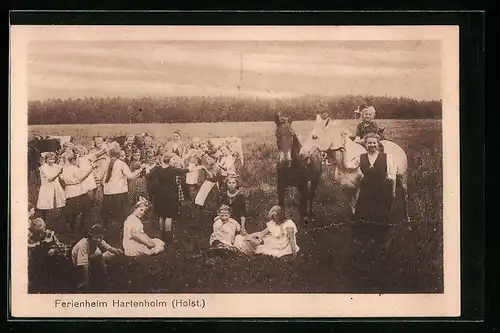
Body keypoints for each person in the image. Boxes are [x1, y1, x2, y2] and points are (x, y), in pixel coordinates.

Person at [149, 154, 204, 242]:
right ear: (169, 160)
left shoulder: (157, 169)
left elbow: (149, 175)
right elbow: (187, 170)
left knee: (161, 216)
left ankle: (161, 236)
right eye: (173, 159)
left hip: (159, 194)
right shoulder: (172, 170)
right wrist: (198, 167)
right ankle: (168, 238)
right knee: (169, 216)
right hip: (170, 194)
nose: (174, 161)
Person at [352, 133, 396, 226]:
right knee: (364, 213)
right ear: (365, 144)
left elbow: (392, 177)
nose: (372, 145)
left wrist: (393, 192)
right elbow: (350, 167)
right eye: (369, 143)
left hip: (381, 188)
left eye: (374, 143)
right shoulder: (361, 157)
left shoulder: (386, 157)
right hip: (366, 189)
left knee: (381, 213)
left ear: (378, 144)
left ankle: (380, 235)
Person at [101, 148, 146, 229]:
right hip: (119, 193)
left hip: (107, 193)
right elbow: (130, 176)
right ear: (118, 155)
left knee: (107, 216)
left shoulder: (106, 164)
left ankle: (106, 231)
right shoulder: (121, 164)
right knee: (121, 215)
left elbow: (101, 178)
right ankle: (122, 232)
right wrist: (140, 169)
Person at [71, 224, 124, 290]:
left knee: (100, 254)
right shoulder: (83, 245)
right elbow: (83, 264)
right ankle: (86, 280)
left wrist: (116, 251)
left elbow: (107, 247)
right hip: (77, 260)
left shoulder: (98, 239)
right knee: (87, 267)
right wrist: (85, 281)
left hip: (90, 254)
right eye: (96, 237)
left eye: (100, 237)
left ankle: (103, 271)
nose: (98, 239)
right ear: (90, 236)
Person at [28, 217, 70, 292]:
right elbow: (29, 259)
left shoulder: (50, 234)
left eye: (42, 231)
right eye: (38, 232)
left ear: (44, 227)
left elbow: (61, 246)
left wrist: (55, 250)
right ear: (34, 231)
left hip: (52, 264)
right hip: (38, 266)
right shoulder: (31, 239)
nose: (40, 234)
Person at [59, 152, 97, 235]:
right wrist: (91, 169)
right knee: (86, 208)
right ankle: (82, 228)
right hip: (77, 191)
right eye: (76, 160)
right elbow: (81, 178)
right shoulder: (74, 168)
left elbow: (61, 178)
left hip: (69, 192)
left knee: (72, 212)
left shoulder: (64, 169)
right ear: (73, 160)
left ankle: (73, 229)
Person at [35, 152, 66, 222]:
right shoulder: (44, 167)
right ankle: (45, 220)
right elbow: (50, 179)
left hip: (55, 186)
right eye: (49, 159)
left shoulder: (55, 166)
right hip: (47, 187)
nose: (51, 161)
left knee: (57, 203)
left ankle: (56, 219)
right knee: (46, 204)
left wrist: (63, 159)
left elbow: (62, 168)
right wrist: (58, 173)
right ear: (46, 160)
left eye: (53, 159)